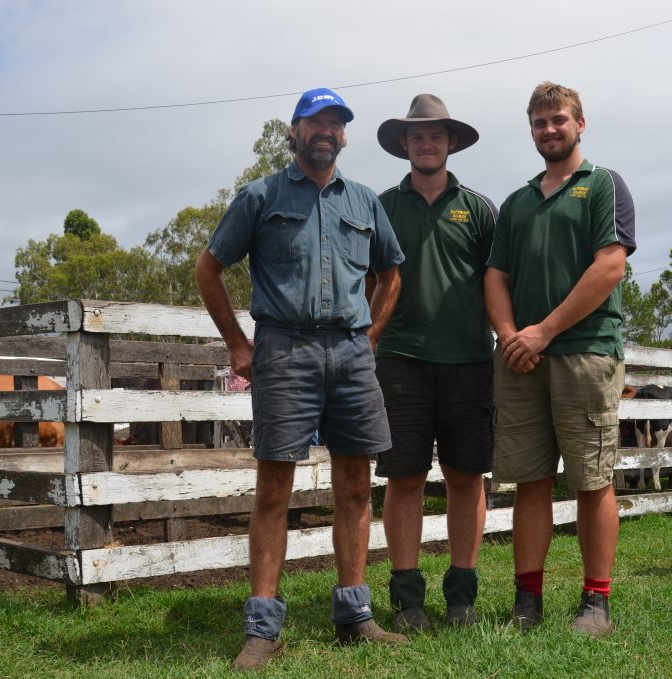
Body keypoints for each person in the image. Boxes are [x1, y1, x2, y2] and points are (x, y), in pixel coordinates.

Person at [195, 87, 408, 671]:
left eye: (336, 123)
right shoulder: (261, 196)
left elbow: (391, 274)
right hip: (283, 350)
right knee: (272, 493)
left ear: (344, 137)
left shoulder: (365, 201)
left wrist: (369, 338)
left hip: (351, 352)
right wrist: (238, 344)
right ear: (293, 131)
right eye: (315, 121)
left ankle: (355, 618)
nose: (326, 131)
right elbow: (209, 268)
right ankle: (262, 628)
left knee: (357, 488)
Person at [483, 81, 636, 637]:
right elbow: (495, 275)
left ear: (580, 124)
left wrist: (543, 331)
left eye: (559, 120)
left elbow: (609, 268)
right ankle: (528, 600)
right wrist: (509, 336)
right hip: (523, 360)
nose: (550, 129)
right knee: (530, 480)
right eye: (539, 122)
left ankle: (596, 602)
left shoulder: (602, 186)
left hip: (585, 353)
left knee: (591, 481)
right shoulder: (519, 202)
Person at [372, 94, 497, 632]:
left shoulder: (480, 208)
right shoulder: (380, 207)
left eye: (436, 135)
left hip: (470, 359)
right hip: (399, 360)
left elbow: (498, 283)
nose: (426, 144)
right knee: (405, 478)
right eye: (417, 136)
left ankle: (462, 597)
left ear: (451, 143)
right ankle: (407, 599)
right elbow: (367, 281)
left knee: (467, 478)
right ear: (404, 144)